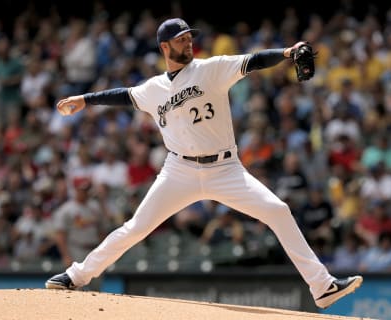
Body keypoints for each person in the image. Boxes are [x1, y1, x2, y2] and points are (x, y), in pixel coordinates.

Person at [45, 17, 362, 309]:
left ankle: (322, 286)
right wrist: (84, 100)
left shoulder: (212, 69)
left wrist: (287, 52)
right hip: (178, 171)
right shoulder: (153, 89)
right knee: (136, 228)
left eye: (189, 37)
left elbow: (252, 61)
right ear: (165, 47)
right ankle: (76, 275)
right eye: (181, 39)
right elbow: (123, 95)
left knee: (277, 210)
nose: (188, 43)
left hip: (225, 169)